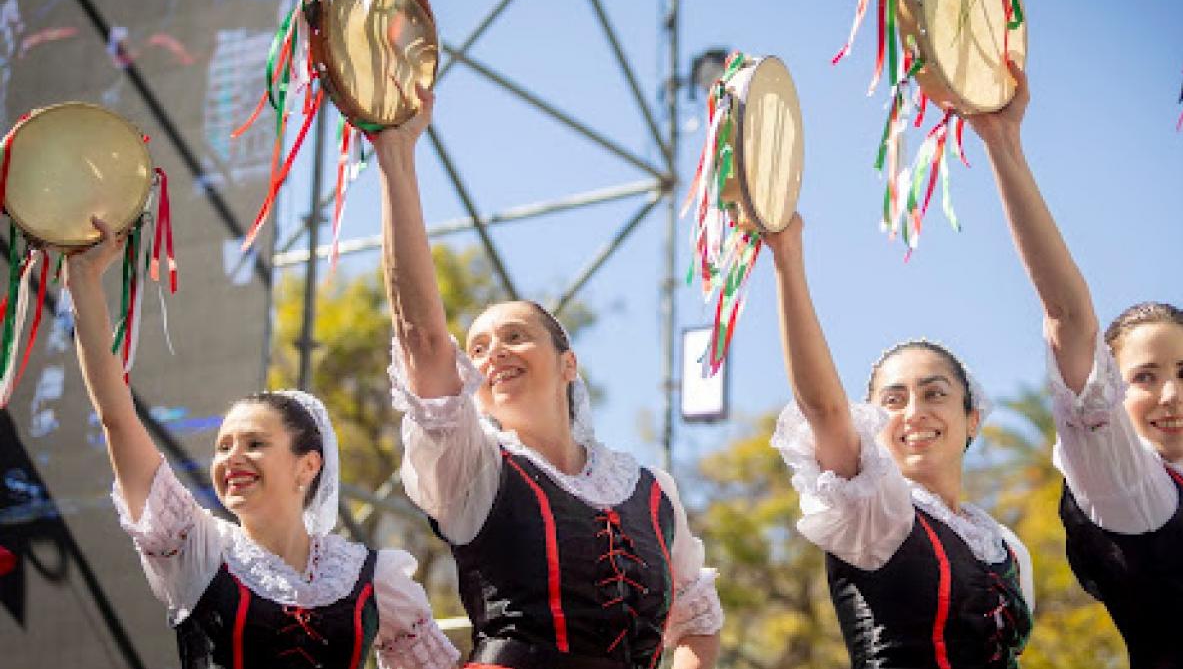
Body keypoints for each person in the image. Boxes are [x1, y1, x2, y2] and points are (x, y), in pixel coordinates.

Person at [375, 87, 723, 669]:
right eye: (479, 347)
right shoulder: (475, 468)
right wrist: (396, 155)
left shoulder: (653, 491)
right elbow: (424, 341)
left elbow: (696, 624)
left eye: (515, 336)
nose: (492, 355)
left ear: (569, 363)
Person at [975, 62, 1183, 667]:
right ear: (1114, 392)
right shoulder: (1124, 487)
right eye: (1143, 377)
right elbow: (1068, 316)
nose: (1171, 394)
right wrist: (1003, 144)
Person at [68, 218, 459, 669]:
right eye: (222, 446)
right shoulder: (198, 549)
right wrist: (83, 281)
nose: (231, 457)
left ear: (307, 466)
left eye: (254, 443)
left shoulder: (373, 579)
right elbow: (117, 418)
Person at [764, 215, 1033, 668]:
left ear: (972, 419)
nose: (913, 412)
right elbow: (825, 409)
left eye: (934, 394)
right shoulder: (876, 512)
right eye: (893, 400)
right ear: (870, 424)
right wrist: (787, 259)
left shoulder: (1007, 548)